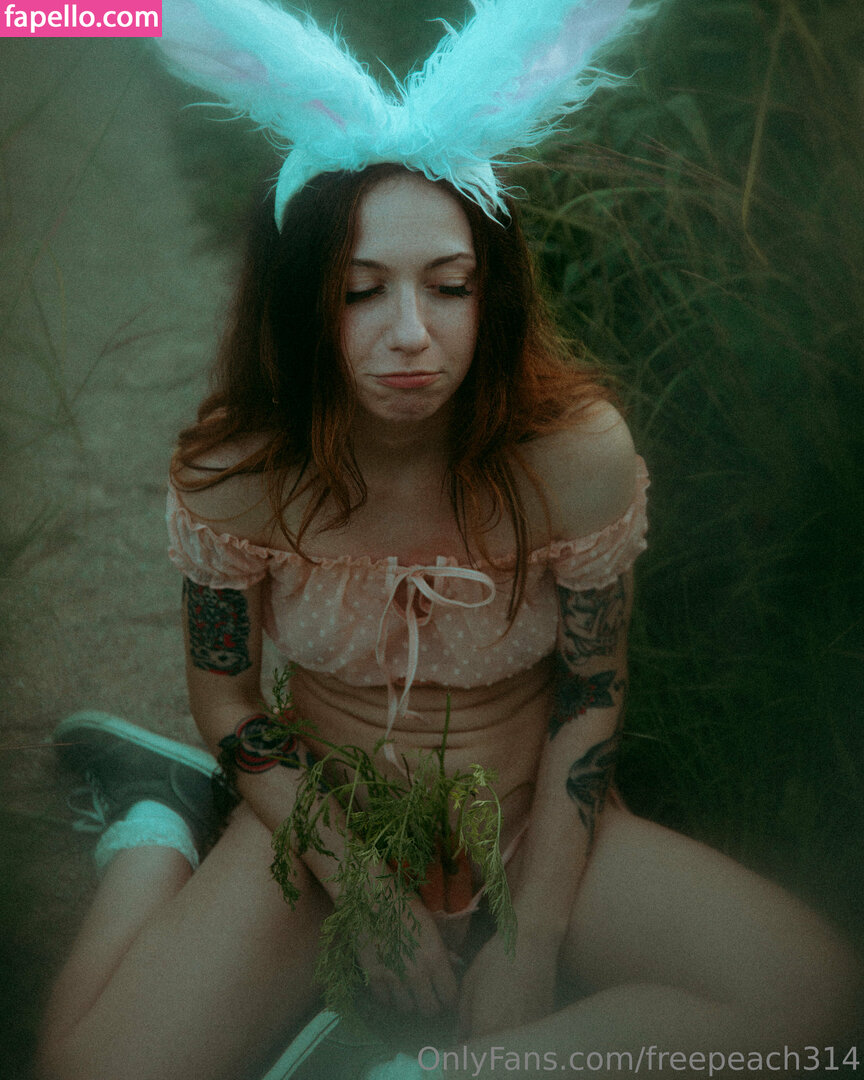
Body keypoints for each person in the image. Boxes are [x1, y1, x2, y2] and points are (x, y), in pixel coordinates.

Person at [37, 2, 860, 1079]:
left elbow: (591, 692)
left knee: (817, 1001)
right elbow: (229, 699)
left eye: (449, 286)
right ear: (303, 301)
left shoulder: (573, 458)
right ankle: (156, 830)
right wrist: (358, 884)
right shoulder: (242, 472)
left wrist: (537, 937)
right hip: (328, 828)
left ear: (492, 293)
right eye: (360, 291)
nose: (411, 334)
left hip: (527, 825)